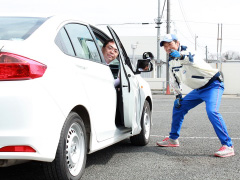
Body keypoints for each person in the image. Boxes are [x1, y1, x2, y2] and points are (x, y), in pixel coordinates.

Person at [156, 34, 234, 158]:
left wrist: (181, 55)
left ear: (177, 43)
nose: (168, 48)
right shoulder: (172, 62)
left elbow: (190, 58)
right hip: (198, 90)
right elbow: (175, 80)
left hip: (213, 85)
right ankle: (173, 139)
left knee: (212, 111)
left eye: (170, 44)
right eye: (165, 46)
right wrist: (178, 96)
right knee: (178, 108)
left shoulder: (189, 52)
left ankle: (228, 146)